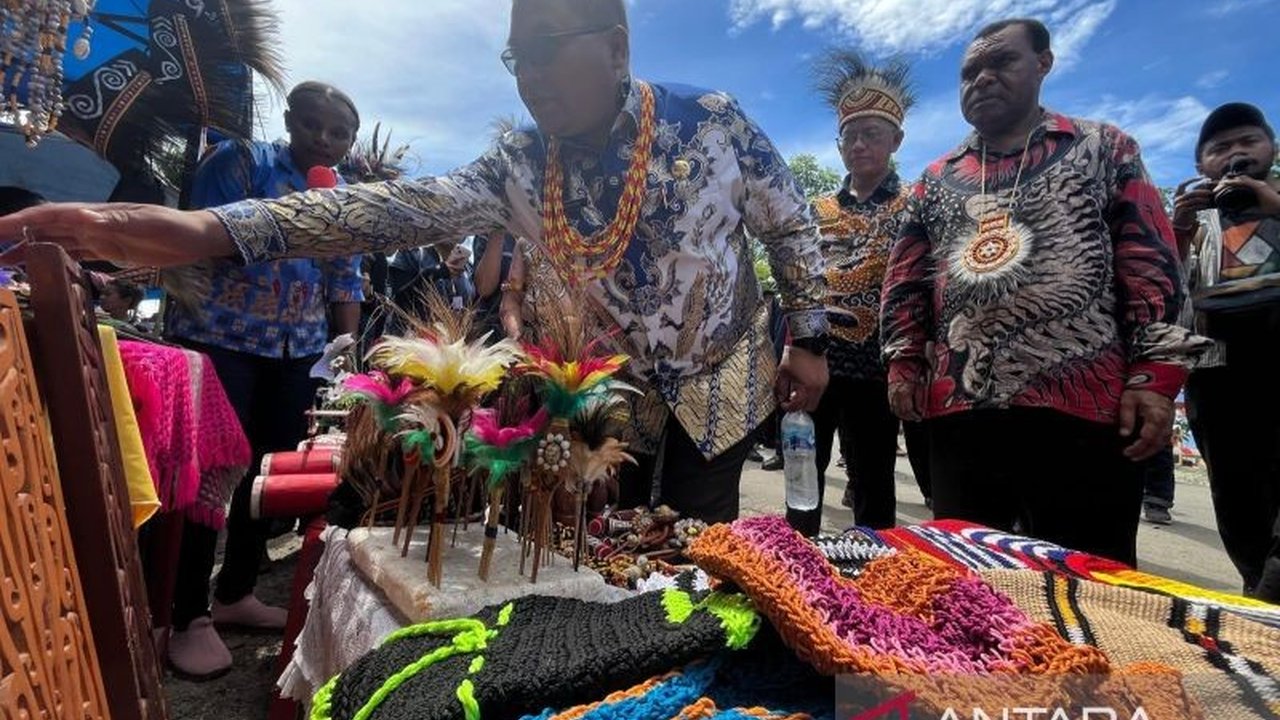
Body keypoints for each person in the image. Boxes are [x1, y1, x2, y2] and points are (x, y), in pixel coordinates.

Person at [0, 0, 829, 525]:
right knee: (617, 536)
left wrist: (811, 340)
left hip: (722, 374)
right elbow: (390, 209)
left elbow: (792, 228)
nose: (530, 76)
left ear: (616, 49)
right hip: (612, 390)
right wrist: (205, 231)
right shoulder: (518, 164)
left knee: (705, 538)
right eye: (518, 58)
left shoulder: (712, 121)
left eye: (546, 49)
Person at [879, 18, 1205, 566]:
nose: (982, 79)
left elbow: (1152, 262)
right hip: (962, 411)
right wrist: (902, 363)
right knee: (967, 580)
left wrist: (1156, 378)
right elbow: (905, 281)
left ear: (1043, 64)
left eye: (1001, 62)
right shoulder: (934, 180)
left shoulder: (1104, 148)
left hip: (1087, 411)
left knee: (1088, 583)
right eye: (969, 73)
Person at [158, 81, 365, 679]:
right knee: (210, 473)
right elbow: (210, 238)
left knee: (265, 474)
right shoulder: (241, 161)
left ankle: (235, 592)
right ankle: (186, 615)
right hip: (222, 339)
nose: (323, 139)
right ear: (290, 120)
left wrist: (345, 350)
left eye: (338, 133)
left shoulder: (343, 194)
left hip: (296, 350)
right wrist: (302, 218)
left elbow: (345, 278)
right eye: (313, 125)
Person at [786, 50, 917, 535]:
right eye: (850, 136)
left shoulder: (914, 205)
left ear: (896, 140)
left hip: (877, 369)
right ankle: (795, 562)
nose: (859, 145)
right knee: (803, 470)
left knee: (873, 480)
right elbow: (796, 284)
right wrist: (791, 351)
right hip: (816, 361)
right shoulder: (815, 209)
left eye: (872, 134)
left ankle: (874, 569)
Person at [1174, 102, 1280, 595]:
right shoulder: (1196, 220)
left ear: (1271, 148)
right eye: (1220, 148)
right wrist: (1179, 229)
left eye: (1248, 142)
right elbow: (1167, 291)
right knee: (1239, 504)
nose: (1236, 155)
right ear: (1201, 164)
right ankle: (1257, 596)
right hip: (1218, 377)